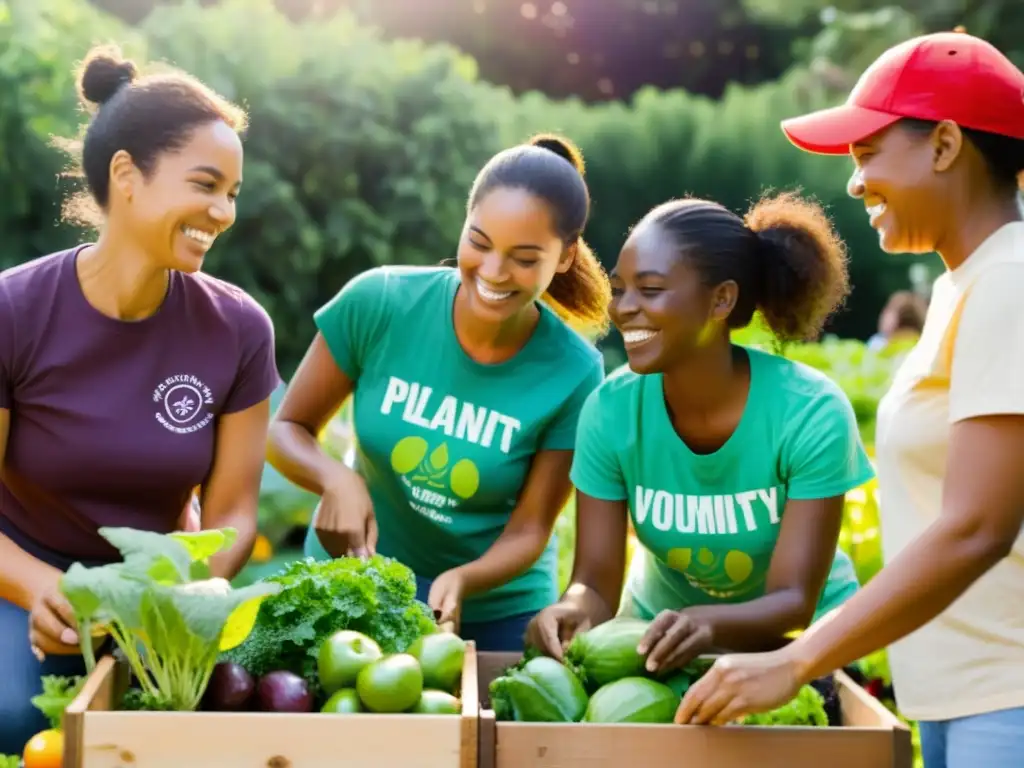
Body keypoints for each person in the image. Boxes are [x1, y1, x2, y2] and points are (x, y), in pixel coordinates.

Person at [675, 31, 1024, 768]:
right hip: (965, 697)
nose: (854, 183)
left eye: (867, 153)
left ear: (945, 145)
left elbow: (977, 527)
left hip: (1009, 696)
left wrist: (795, 663)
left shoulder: (1010, 282)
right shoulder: (969, 284)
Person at [0, 45, 279, 752]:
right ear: (127, 174)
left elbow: (235, 514)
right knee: (18, 718)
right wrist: (44, 590)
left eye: (233, 193)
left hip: (161, 598)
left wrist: (168, 603)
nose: (222, 212)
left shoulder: (238, 328)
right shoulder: (14, 310)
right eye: (206, 185)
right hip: (23, 578)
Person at [267, 134, 610, 651]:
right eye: (479, 241)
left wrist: (464, 579)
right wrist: (335, 478)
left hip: (493, 611)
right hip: (353, 587)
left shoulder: (576, 371)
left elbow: (529, 530)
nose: (493, 272)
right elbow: (287, 429)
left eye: (523, 257)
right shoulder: (379, 301)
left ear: (564, 258)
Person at [525, 190, 873, 674]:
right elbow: (597, 583)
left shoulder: (809, 412)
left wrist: (707, 624)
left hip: (802, 651)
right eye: (620, 288)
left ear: (721, 300)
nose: (623, 308)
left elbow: (793, 600)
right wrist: (574, 608)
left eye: (649, 289)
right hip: (659, 647)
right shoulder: (611, 410)